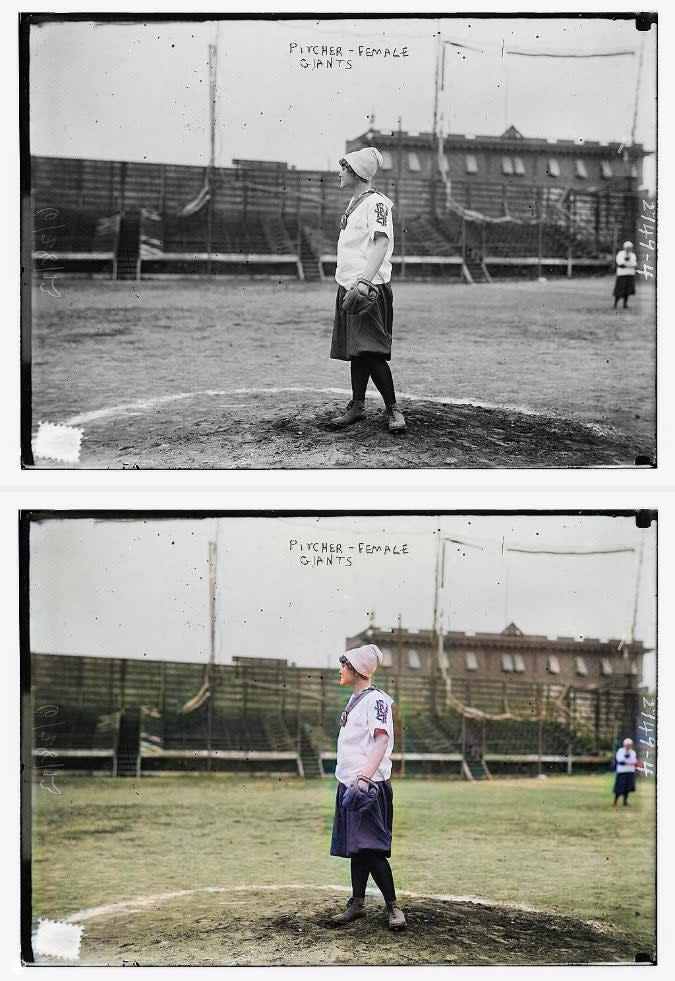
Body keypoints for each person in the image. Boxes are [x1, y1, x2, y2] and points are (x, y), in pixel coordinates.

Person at [329, 643, 406, 930]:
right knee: (357, 848)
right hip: (349, 783)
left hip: (367, 786)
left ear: (357, 669)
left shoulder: (376, 701)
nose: (340, 670)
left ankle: (393, 907)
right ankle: (357, 904)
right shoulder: (355, 700)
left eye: (344, 665)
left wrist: (363, 778)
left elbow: (382, 740)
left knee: (371, 848)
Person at [330, 147, 406, 434]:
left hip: (367, 287)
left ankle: (393, 409)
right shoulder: (355, 201)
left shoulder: (377, 204)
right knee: (357, 351)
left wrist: (363, 281)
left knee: (371, 351)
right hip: (349, 284)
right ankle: (358, 406)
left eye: (344, 168)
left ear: (357, 172)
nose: (339, 173)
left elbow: (381, 244)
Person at [613, 737, 638, 806]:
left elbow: (634, 761)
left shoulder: (633, 752)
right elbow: (620, 761)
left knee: (627, 788)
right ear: (624, 744)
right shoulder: (620, 751)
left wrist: (628, 762)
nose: (629, 746)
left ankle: (625, 801)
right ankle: (615, 801)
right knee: (619, 788)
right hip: (621, 772)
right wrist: (629, 762)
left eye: (630, 744)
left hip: (630, 772)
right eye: (627, 744)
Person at [612, 241, 637, 310]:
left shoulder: (632, 255)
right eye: (628, 247)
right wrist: (629, 264)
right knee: (619, 290)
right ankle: (615, 304)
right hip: (622, 275)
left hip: (630, 274)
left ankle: (625, 304)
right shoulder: (621, 254)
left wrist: (627, 264)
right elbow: (620, 263)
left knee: (627, 290)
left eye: (630, 247)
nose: (629, 249)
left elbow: (634, 264)